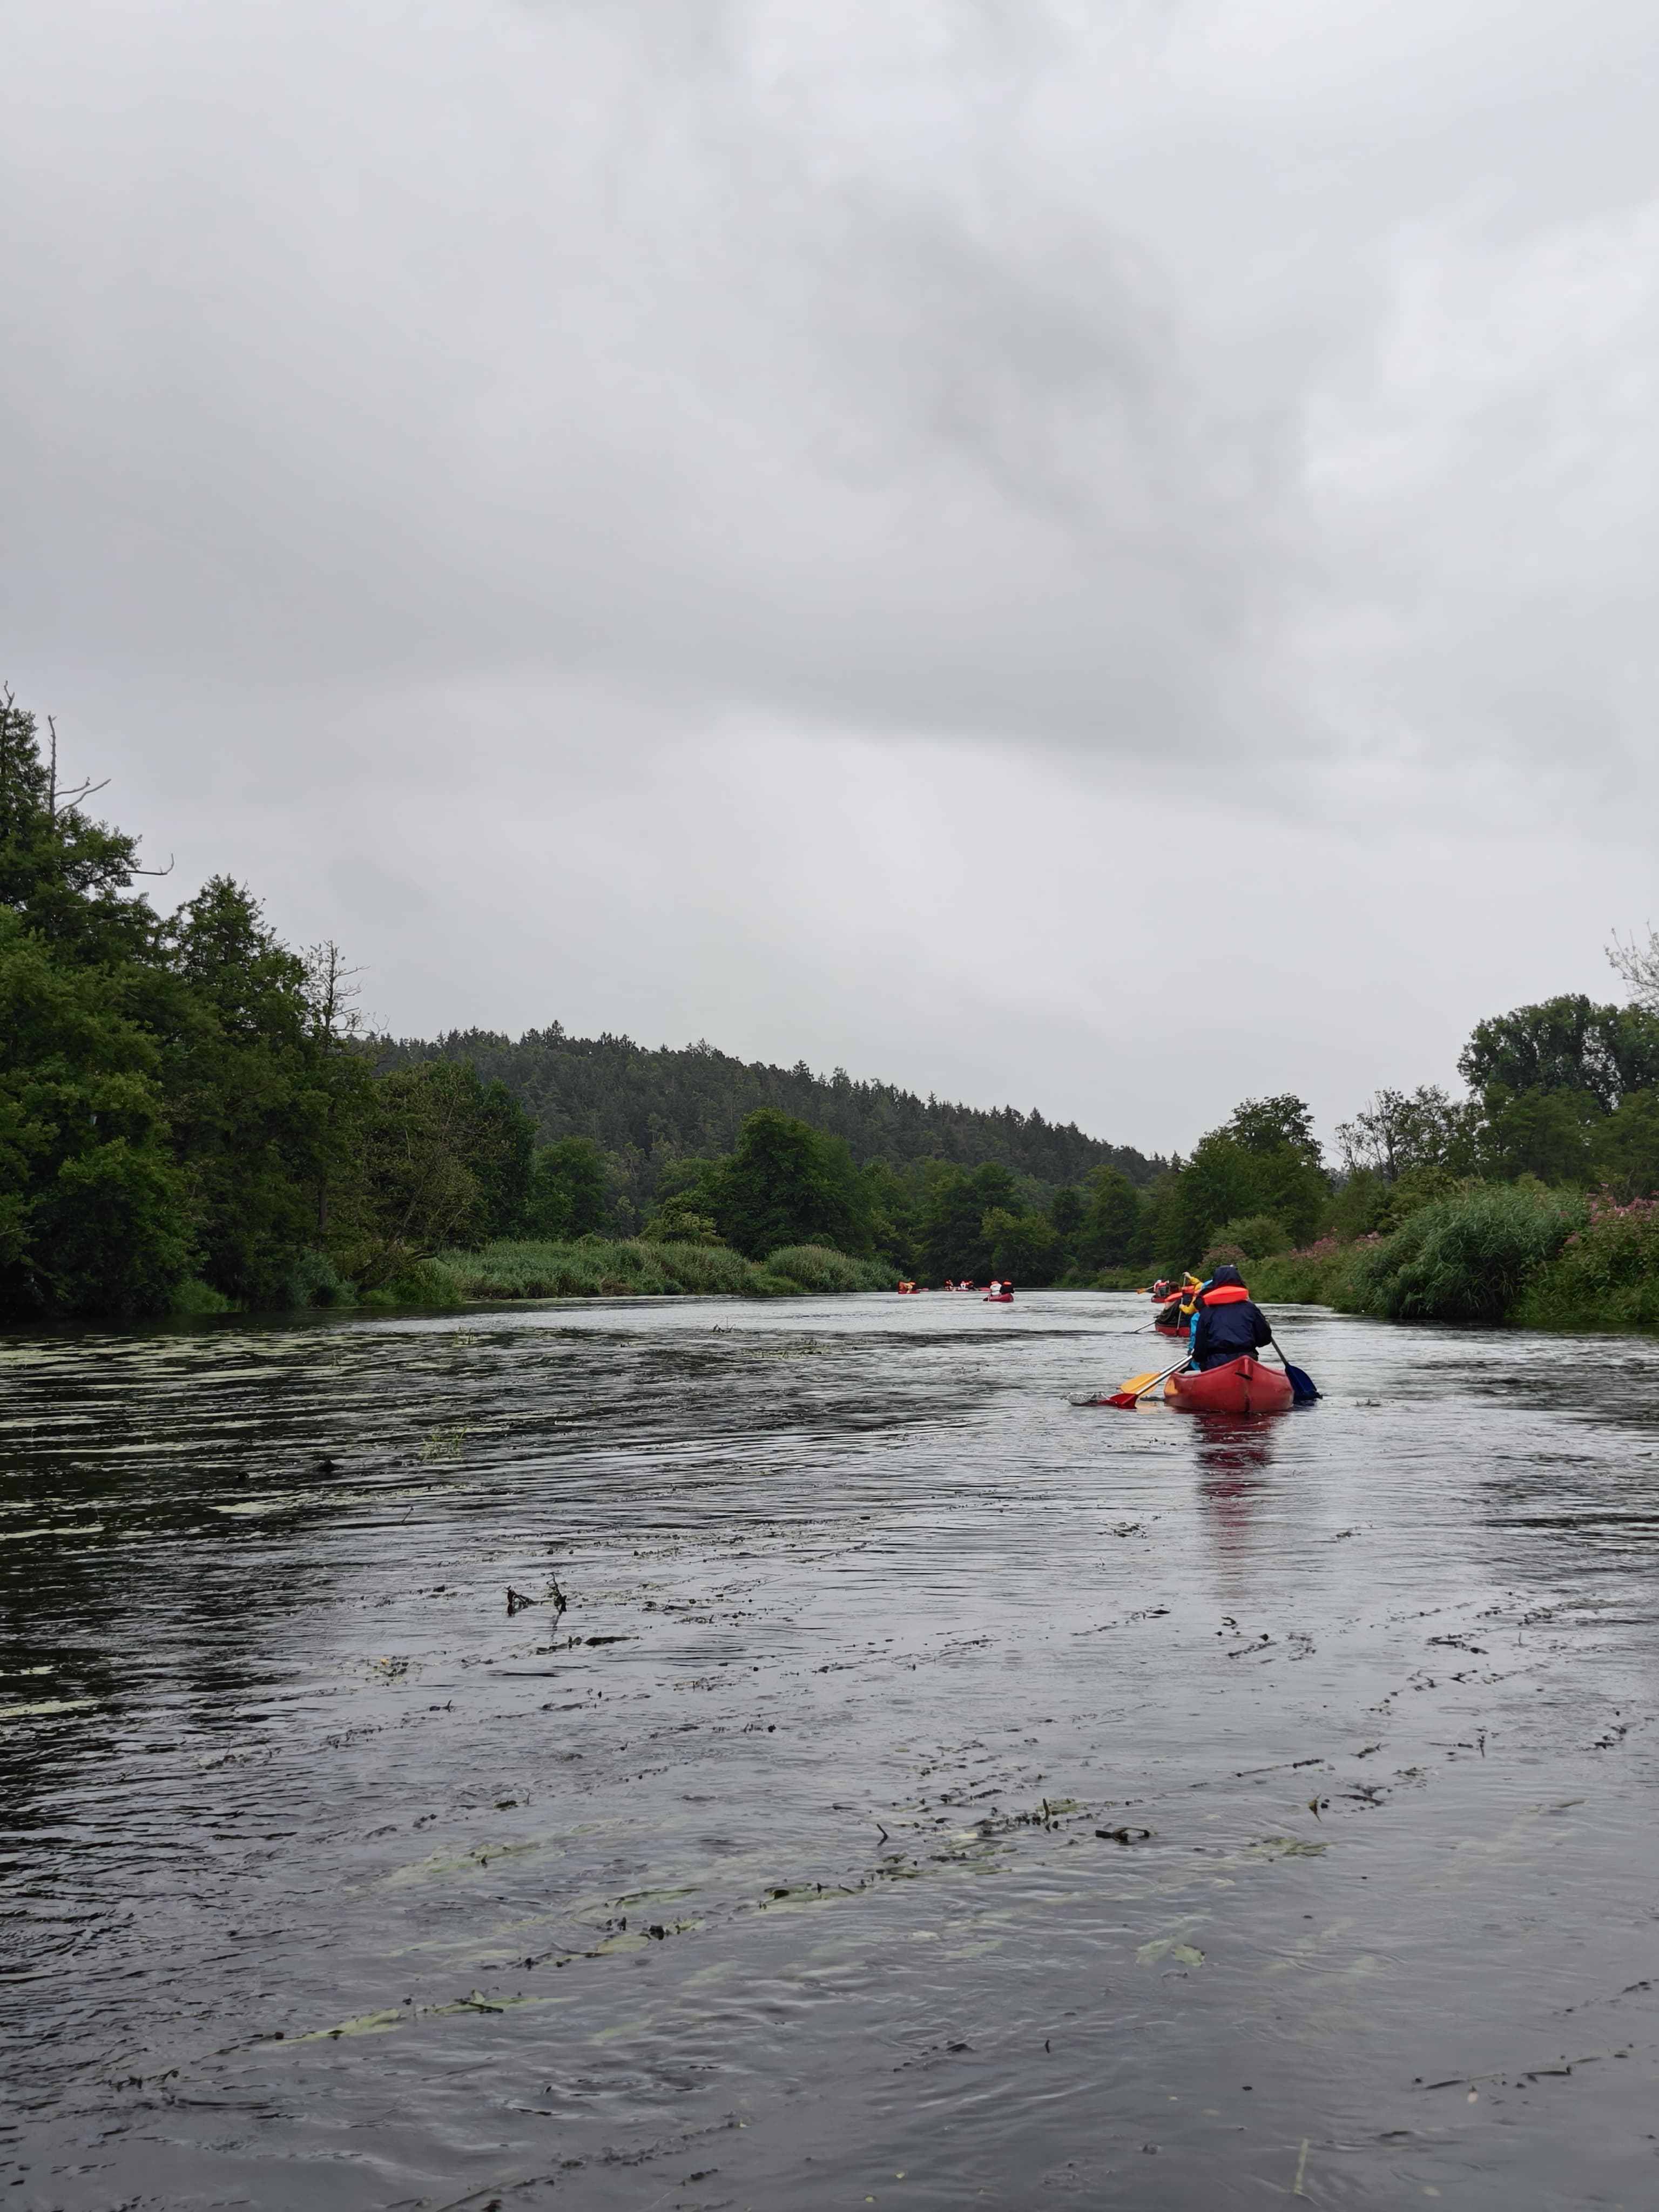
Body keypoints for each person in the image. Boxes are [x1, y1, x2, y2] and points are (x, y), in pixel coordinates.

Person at [1189, 1263, 1273, 1371]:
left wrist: (1198, 1357)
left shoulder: (1206, 1312)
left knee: (1204, 1363)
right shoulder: (1250, 1309)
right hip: (1246, 1361)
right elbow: (1265, 1339)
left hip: (1216, 1363)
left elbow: (1200, 1349)